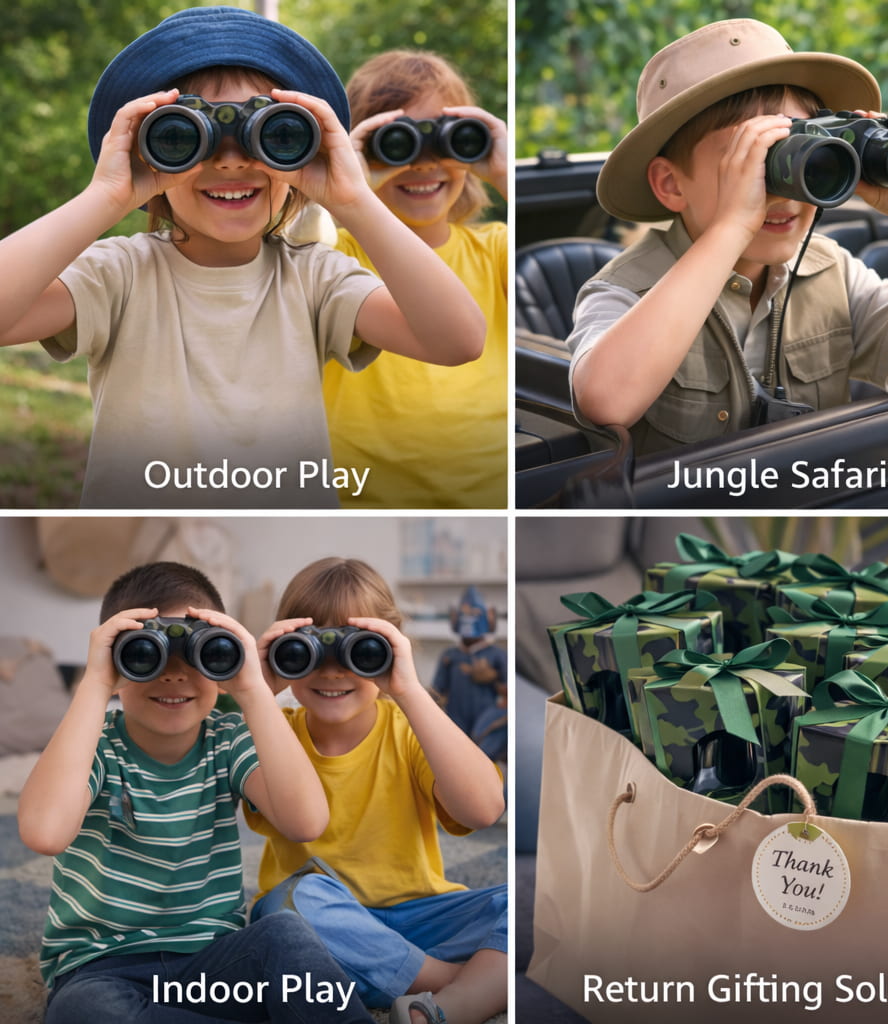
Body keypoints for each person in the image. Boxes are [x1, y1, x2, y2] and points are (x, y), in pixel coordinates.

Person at [0, 8, 484, 509]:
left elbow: (458, 340)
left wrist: (354, 200)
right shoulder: (118, 275)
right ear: (146, 152)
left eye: (271, 134)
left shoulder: (315, 277)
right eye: (182, 136)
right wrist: (105, 197)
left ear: (304, 153)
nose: (231, 159)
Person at [567, 18, 888, 454]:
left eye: (803, 153)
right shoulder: (625, 291)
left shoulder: (830, 272)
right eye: (750, 158)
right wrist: (732, 227)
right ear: (672, 184)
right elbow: (606, 402)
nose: (785, 189)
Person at [18, 561, 374, 1024]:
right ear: (113, 660)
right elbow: (44, 832)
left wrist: (252, 689)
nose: (174, 675)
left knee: (284, 935)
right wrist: (95, 683)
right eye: (145, 655)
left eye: (202, 654)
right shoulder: (93, 745)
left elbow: (305, 821)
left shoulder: (226, 739)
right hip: (104, 968)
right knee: (84, 1011)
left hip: (216, 964)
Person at [245, 558, 507, 1024]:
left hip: (421, 917)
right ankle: (456, 985)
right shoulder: (271, 736)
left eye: (358, 651)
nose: (332, 671)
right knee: (283, 909)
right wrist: (256, 694)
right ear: (282, 652)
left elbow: (485, 810)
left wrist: (407, 689)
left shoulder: (409, 731)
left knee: (530, 897)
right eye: (308, 651)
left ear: (392, 647)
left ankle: (436, 1002)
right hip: (324, 927)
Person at [318, 50, 508, 509]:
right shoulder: (334, 256)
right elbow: (290, 241)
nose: (423, 164)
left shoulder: (494, 247)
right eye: (397, 144)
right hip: (365, 500)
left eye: (448, 141)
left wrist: (504, 170)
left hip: (492, 495)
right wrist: (349, 187)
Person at [431, 586, 507, 761]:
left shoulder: (497, 655)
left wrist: (494, 680)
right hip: (455, 720)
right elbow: (437, 691)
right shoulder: (449, 656)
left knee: (483, 760)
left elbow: (511, 695)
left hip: (486, 722)